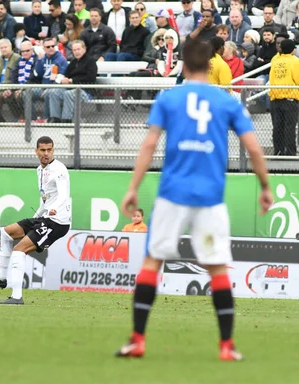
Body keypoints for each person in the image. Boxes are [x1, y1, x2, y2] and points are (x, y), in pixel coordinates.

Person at [114, 39, 272, 361]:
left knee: (151, 262)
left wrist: (133, 187)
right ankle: (227, 347)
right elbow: (254, 148)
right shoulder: (227, 102)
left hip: (172, 193)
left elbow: (148, 145)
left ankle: (137, 340)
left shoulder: (169, 97)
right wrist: (265, 185)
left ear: (183, 65)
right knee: (216, 269)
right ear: (211, 66)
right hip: (211, 197)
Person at [0, 136, 71, 305]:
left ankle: (16, 297)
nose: (46, 153)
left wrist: (55, 208)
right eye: (42, 150)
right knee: (6, 233)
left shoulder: (59, 169)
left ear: (53, 150)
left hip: (57, 222)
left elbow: (63, 195)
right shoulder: (40, 170)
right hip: (45, 217)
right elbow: (45, 199)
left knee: (19, 250)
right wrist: (38, 215)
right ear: (36, 151)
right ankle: (1, 278)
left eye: (49, 150)